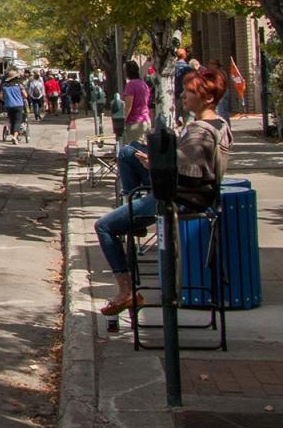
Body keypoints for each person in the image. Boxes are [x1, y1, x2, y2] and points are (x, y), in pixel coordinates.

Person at [93, 67, 233, 316]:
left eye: (188, 92)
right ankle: (133, 207)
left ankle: (126, 291)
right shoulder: (219, 124)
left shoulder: (200, 130)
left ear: (207, 98)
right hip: (193, 194)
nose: (182, 96)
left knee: (103, 226)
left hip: (179, 197)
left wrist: (155, 163)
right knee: (128, 152)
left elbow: (189, 171)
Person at [121, 60, 152, 146]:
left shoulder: (131, 85)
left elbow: (128, 106)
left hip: (134, 122)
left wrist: (122, 121)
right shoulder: (143, 84)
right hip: (145, 120)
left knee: (134, 151)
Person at [1, 68, 26, 143]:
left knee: (11, 121)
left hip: (9, 105)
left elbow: (1, 96)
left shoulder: (4, 86)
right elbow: (25, 95)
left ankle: (13, 134)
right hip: (18, 105)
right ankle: (14, 137)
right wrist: (21, 97)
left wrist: (6, 99)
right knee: (18, 121)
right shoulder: (19, 85)